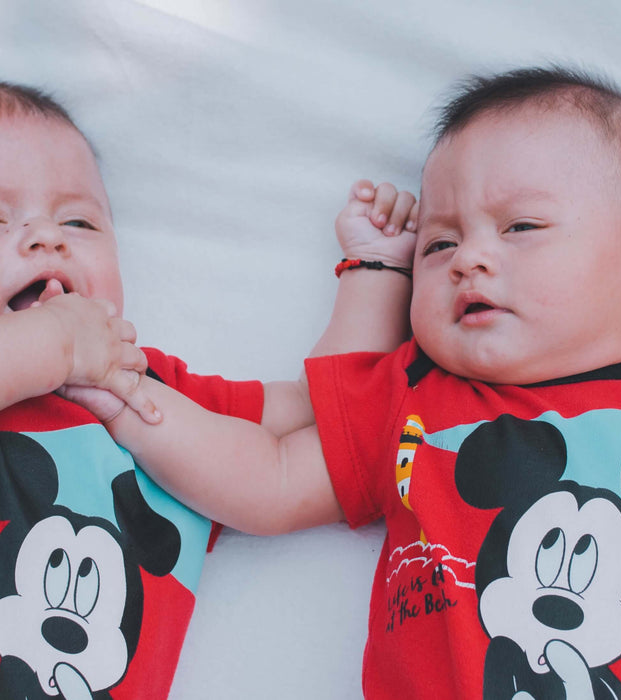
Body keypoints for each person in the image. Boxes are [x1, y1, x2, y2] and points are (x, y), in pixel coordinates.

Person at [73, 66, 621, 698]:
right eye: (439, 244)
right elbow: (271, 477)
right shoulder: (418, 405)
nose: (469, 259)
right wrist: (129, 398)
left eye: (521, 227)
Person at [0, 81, 417, 698]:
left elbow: (315, 413)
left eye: (79, 221)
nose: (46, 239)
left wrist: (376, 273)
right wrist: (53, 346)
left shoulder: (146, 386)